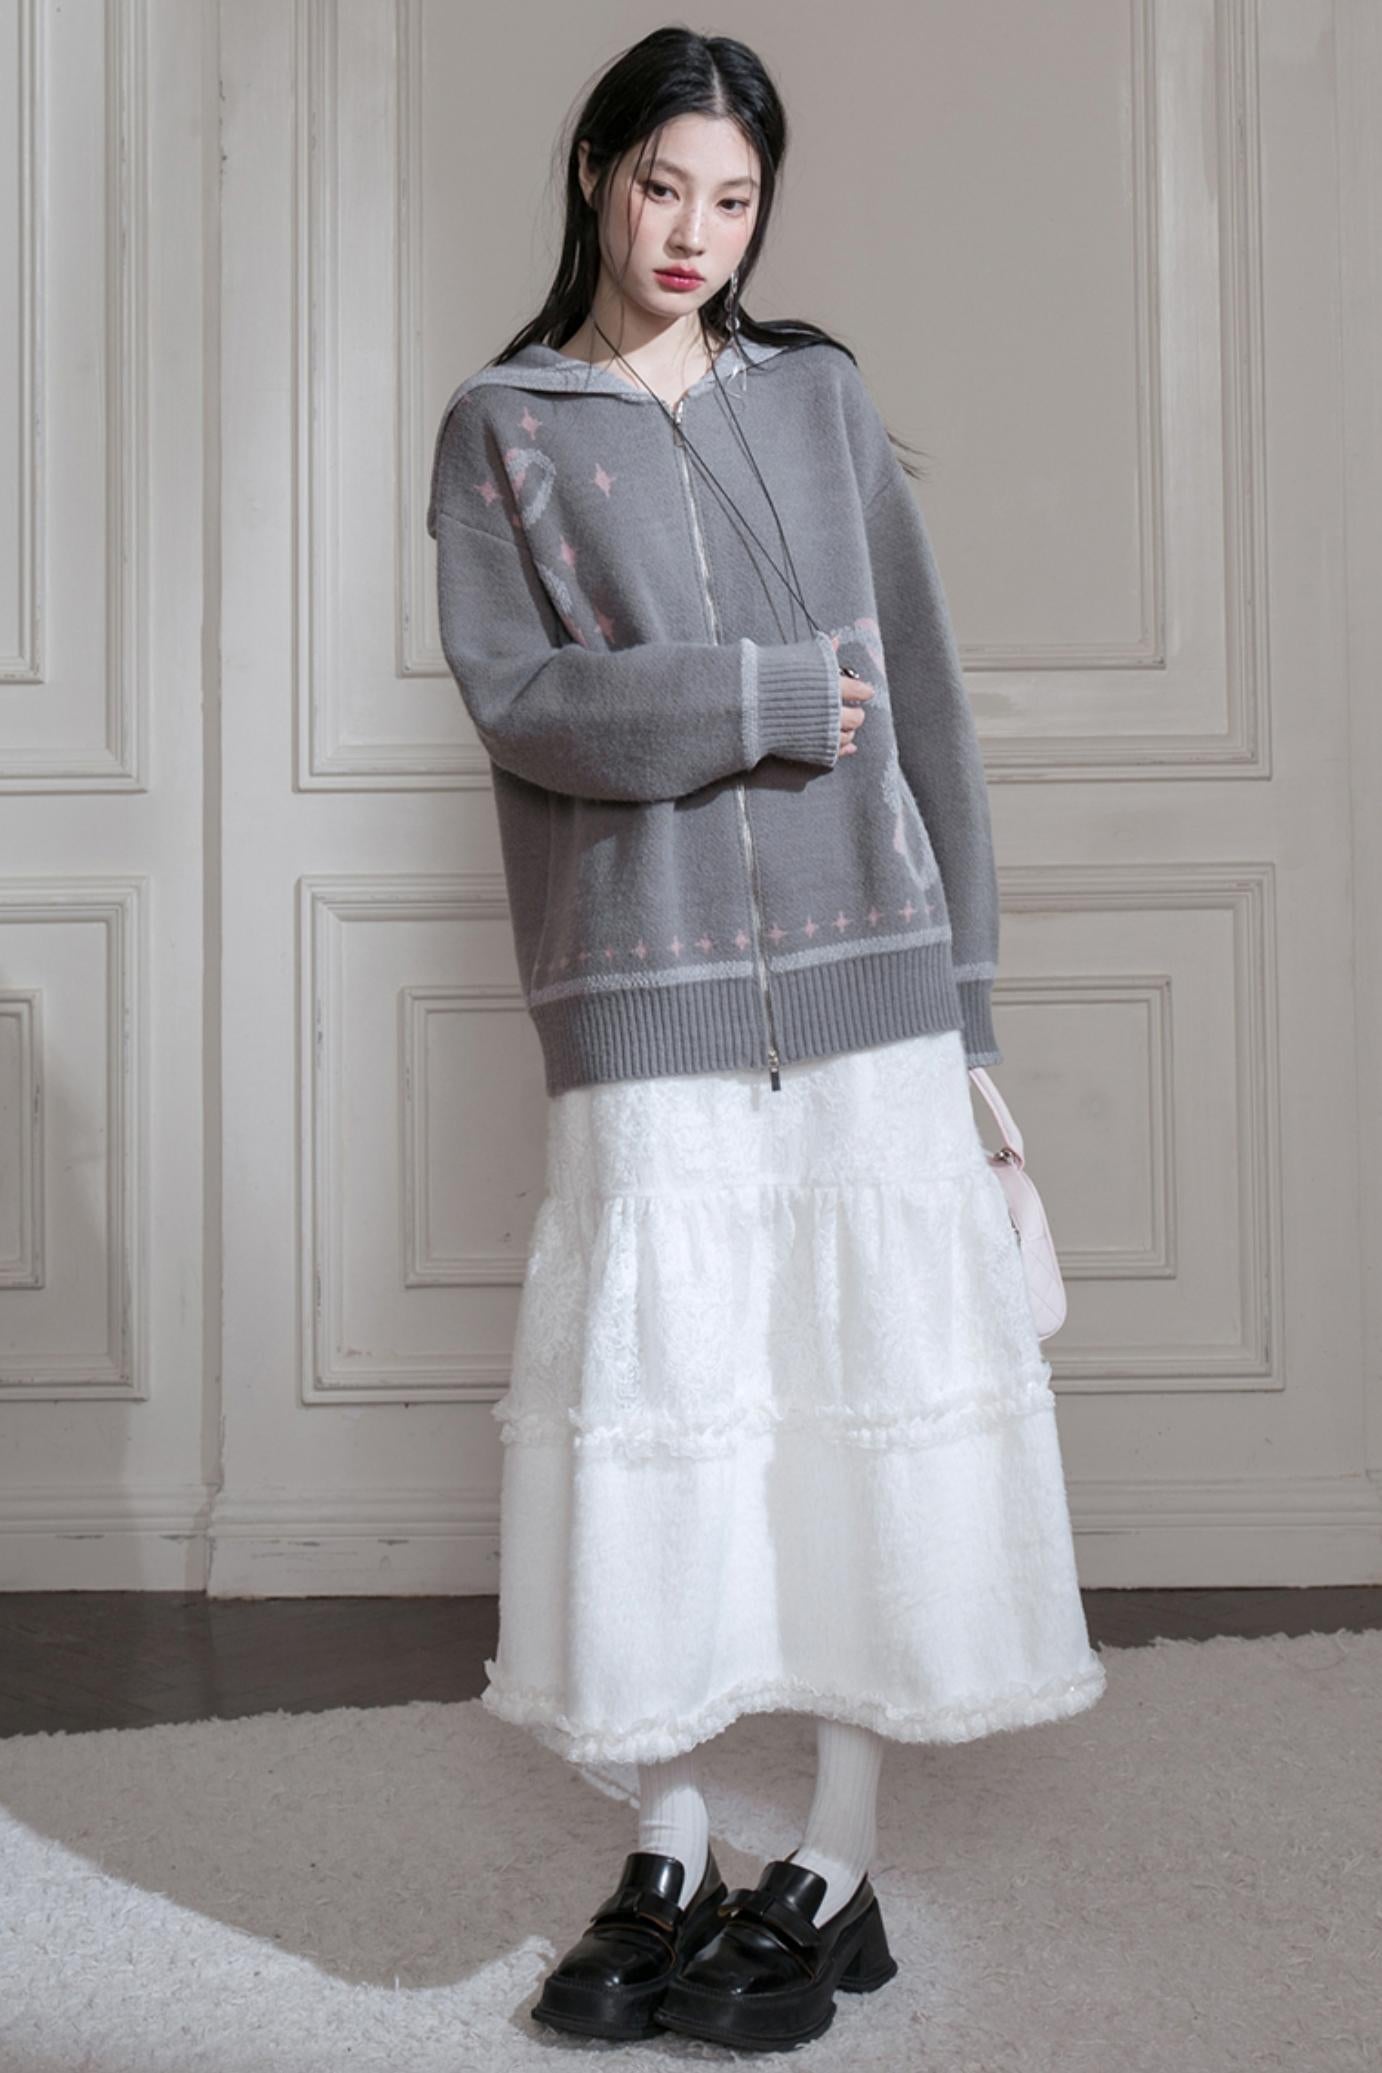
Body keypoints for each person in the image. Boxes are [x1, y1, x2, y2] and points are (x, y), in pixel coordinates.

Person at [428, 24, 1106, 2053]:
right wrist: (760, 696)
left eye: (732, 199)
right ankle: (665, 1837)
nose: (693, 233)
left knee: (848, 1401)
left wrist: (965, 1007)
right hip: (640, 998)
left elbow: (928, 710)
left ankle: (834, 1855)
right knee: (664, 1411)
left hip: (871, 987)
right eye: (663, 185)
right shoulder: (506, 423)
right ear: (595, 172)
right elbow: (525, 701)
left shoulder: (817, 400)